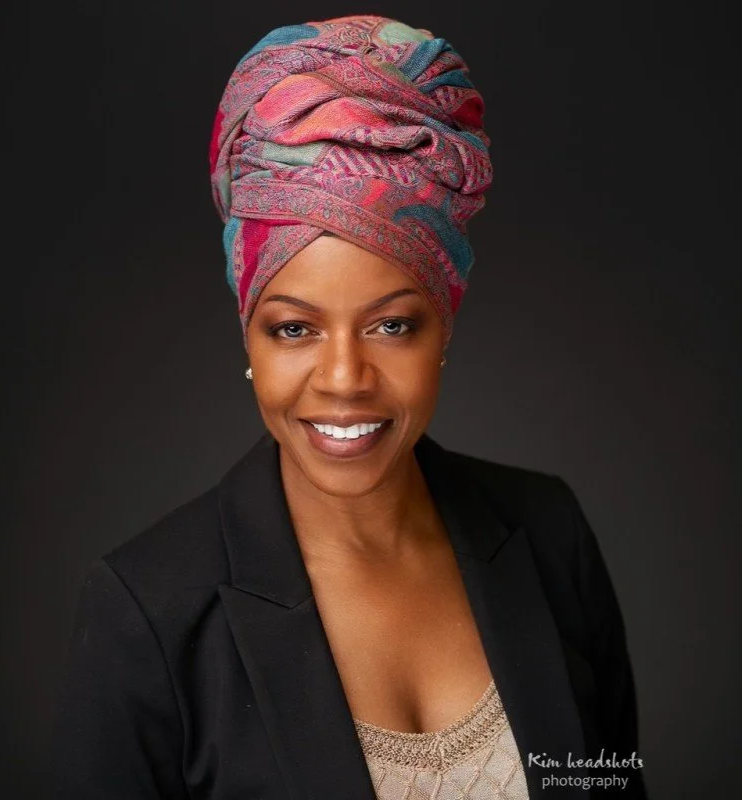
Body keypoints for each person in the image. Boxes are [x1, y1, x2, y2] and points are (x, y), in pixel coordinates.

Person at [51, 15, 647, 799]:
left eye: (392, 324)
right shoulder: (149, 614)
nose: (343, 378)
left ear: (444, 326)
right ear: (249, 337)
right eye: (294, 328)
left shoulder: (546, 533)